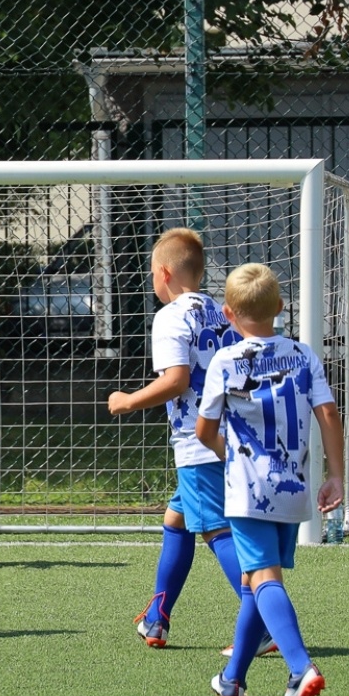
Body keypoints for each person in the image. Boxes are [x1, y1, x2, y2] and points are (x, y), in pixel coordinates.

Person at [108, 228, 268, 656]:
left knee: (215, 530)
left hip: (198, 441)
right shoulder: (219, 310)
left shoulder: (170, 316)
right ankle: (157, 618)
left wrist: (127, 401)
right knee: (177, 518)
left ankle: (263, 625)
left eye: (151, 274)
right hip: (229, 432)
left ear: (164, 273)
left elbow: (176, 381)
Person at [196, 263, 344, 696]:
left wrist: (229, 454)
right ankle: (233, 679)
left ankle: (300, 668)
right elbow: (328, 414)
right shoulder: (303, 354)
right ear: (280, 307)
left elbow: (204, 430)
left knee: (263, 578)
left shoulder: (225, 361)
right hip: (294, 489)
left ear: (227, 313)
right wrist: (336, 475)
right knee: (253, 581)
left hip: (249, 490)